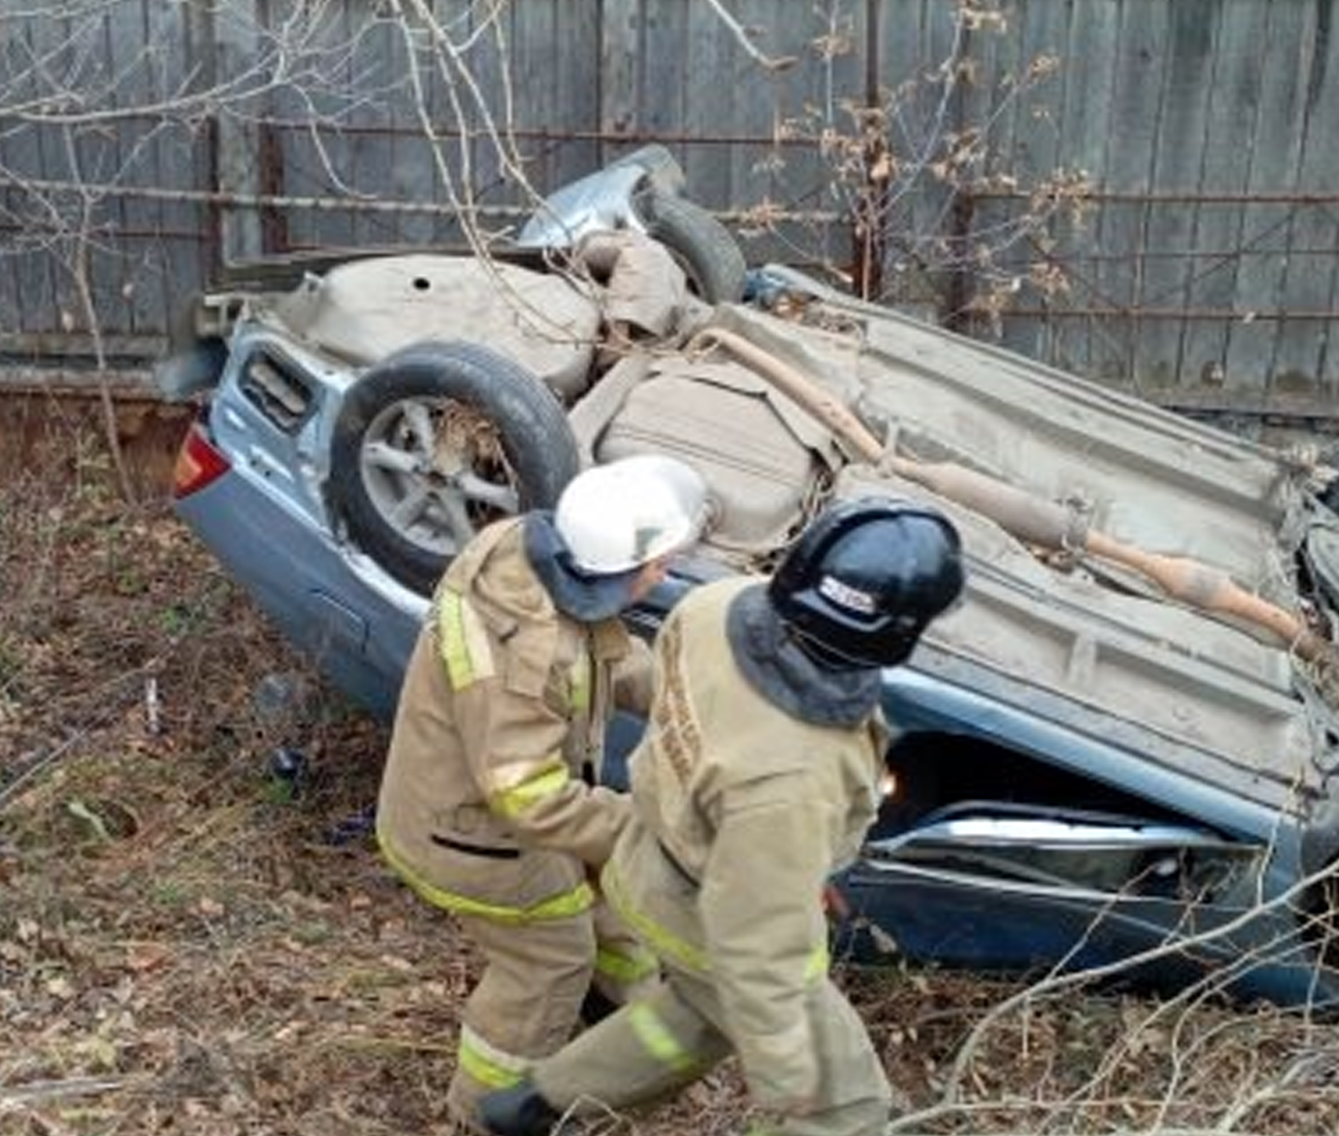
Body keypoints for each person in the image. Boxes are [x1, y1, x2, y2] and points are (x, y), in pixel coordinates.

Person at [477, 496, 967, 1136]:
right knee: (844, 1109)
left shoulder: (717, 606)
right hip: (706, 913)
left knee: (690, 1019)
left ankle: (534, 1108)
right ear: (898, 632)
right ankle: (539, 1107)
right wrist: (788, 1076)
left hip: (651, 853)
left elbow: (712, 754)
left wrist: (779, 859)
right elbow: (757, 949)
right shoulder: (793, 775)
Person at [374, 453, 710, 1131]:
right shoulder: (526, 654)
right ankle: (486, 1112)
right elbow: (528, 796)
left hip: (491, 811)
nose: (663, 574)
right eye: (657, 565)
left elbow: (605, 653)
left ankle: (614, 1024)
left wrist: (692, 703)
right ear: (613, 569)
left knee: (613, 900)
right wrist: (644, 827)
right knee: (552, 959)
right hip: (470, 836)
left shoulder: (527, 552)